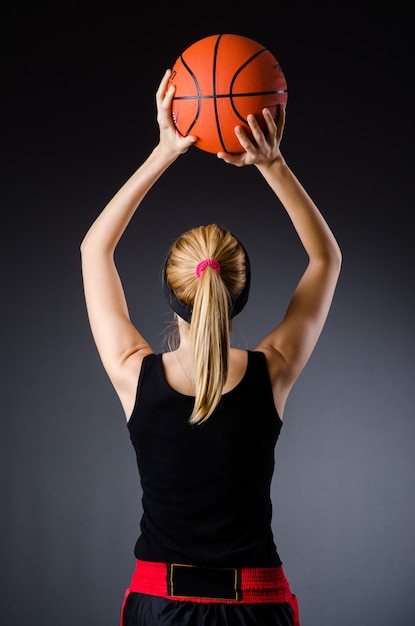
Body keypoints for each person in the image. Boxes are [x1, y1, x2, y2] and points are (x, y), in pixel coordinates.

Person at [80, 68, 342, 626]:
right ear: (238, 291)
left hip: (159, 606)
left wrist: (164, 150)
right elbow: (326, 260)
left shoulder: (134, 375)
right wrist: (272, 163)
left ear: (176, 291)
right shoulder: (273, 372)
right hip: (256, 607)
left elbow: (93, 251)